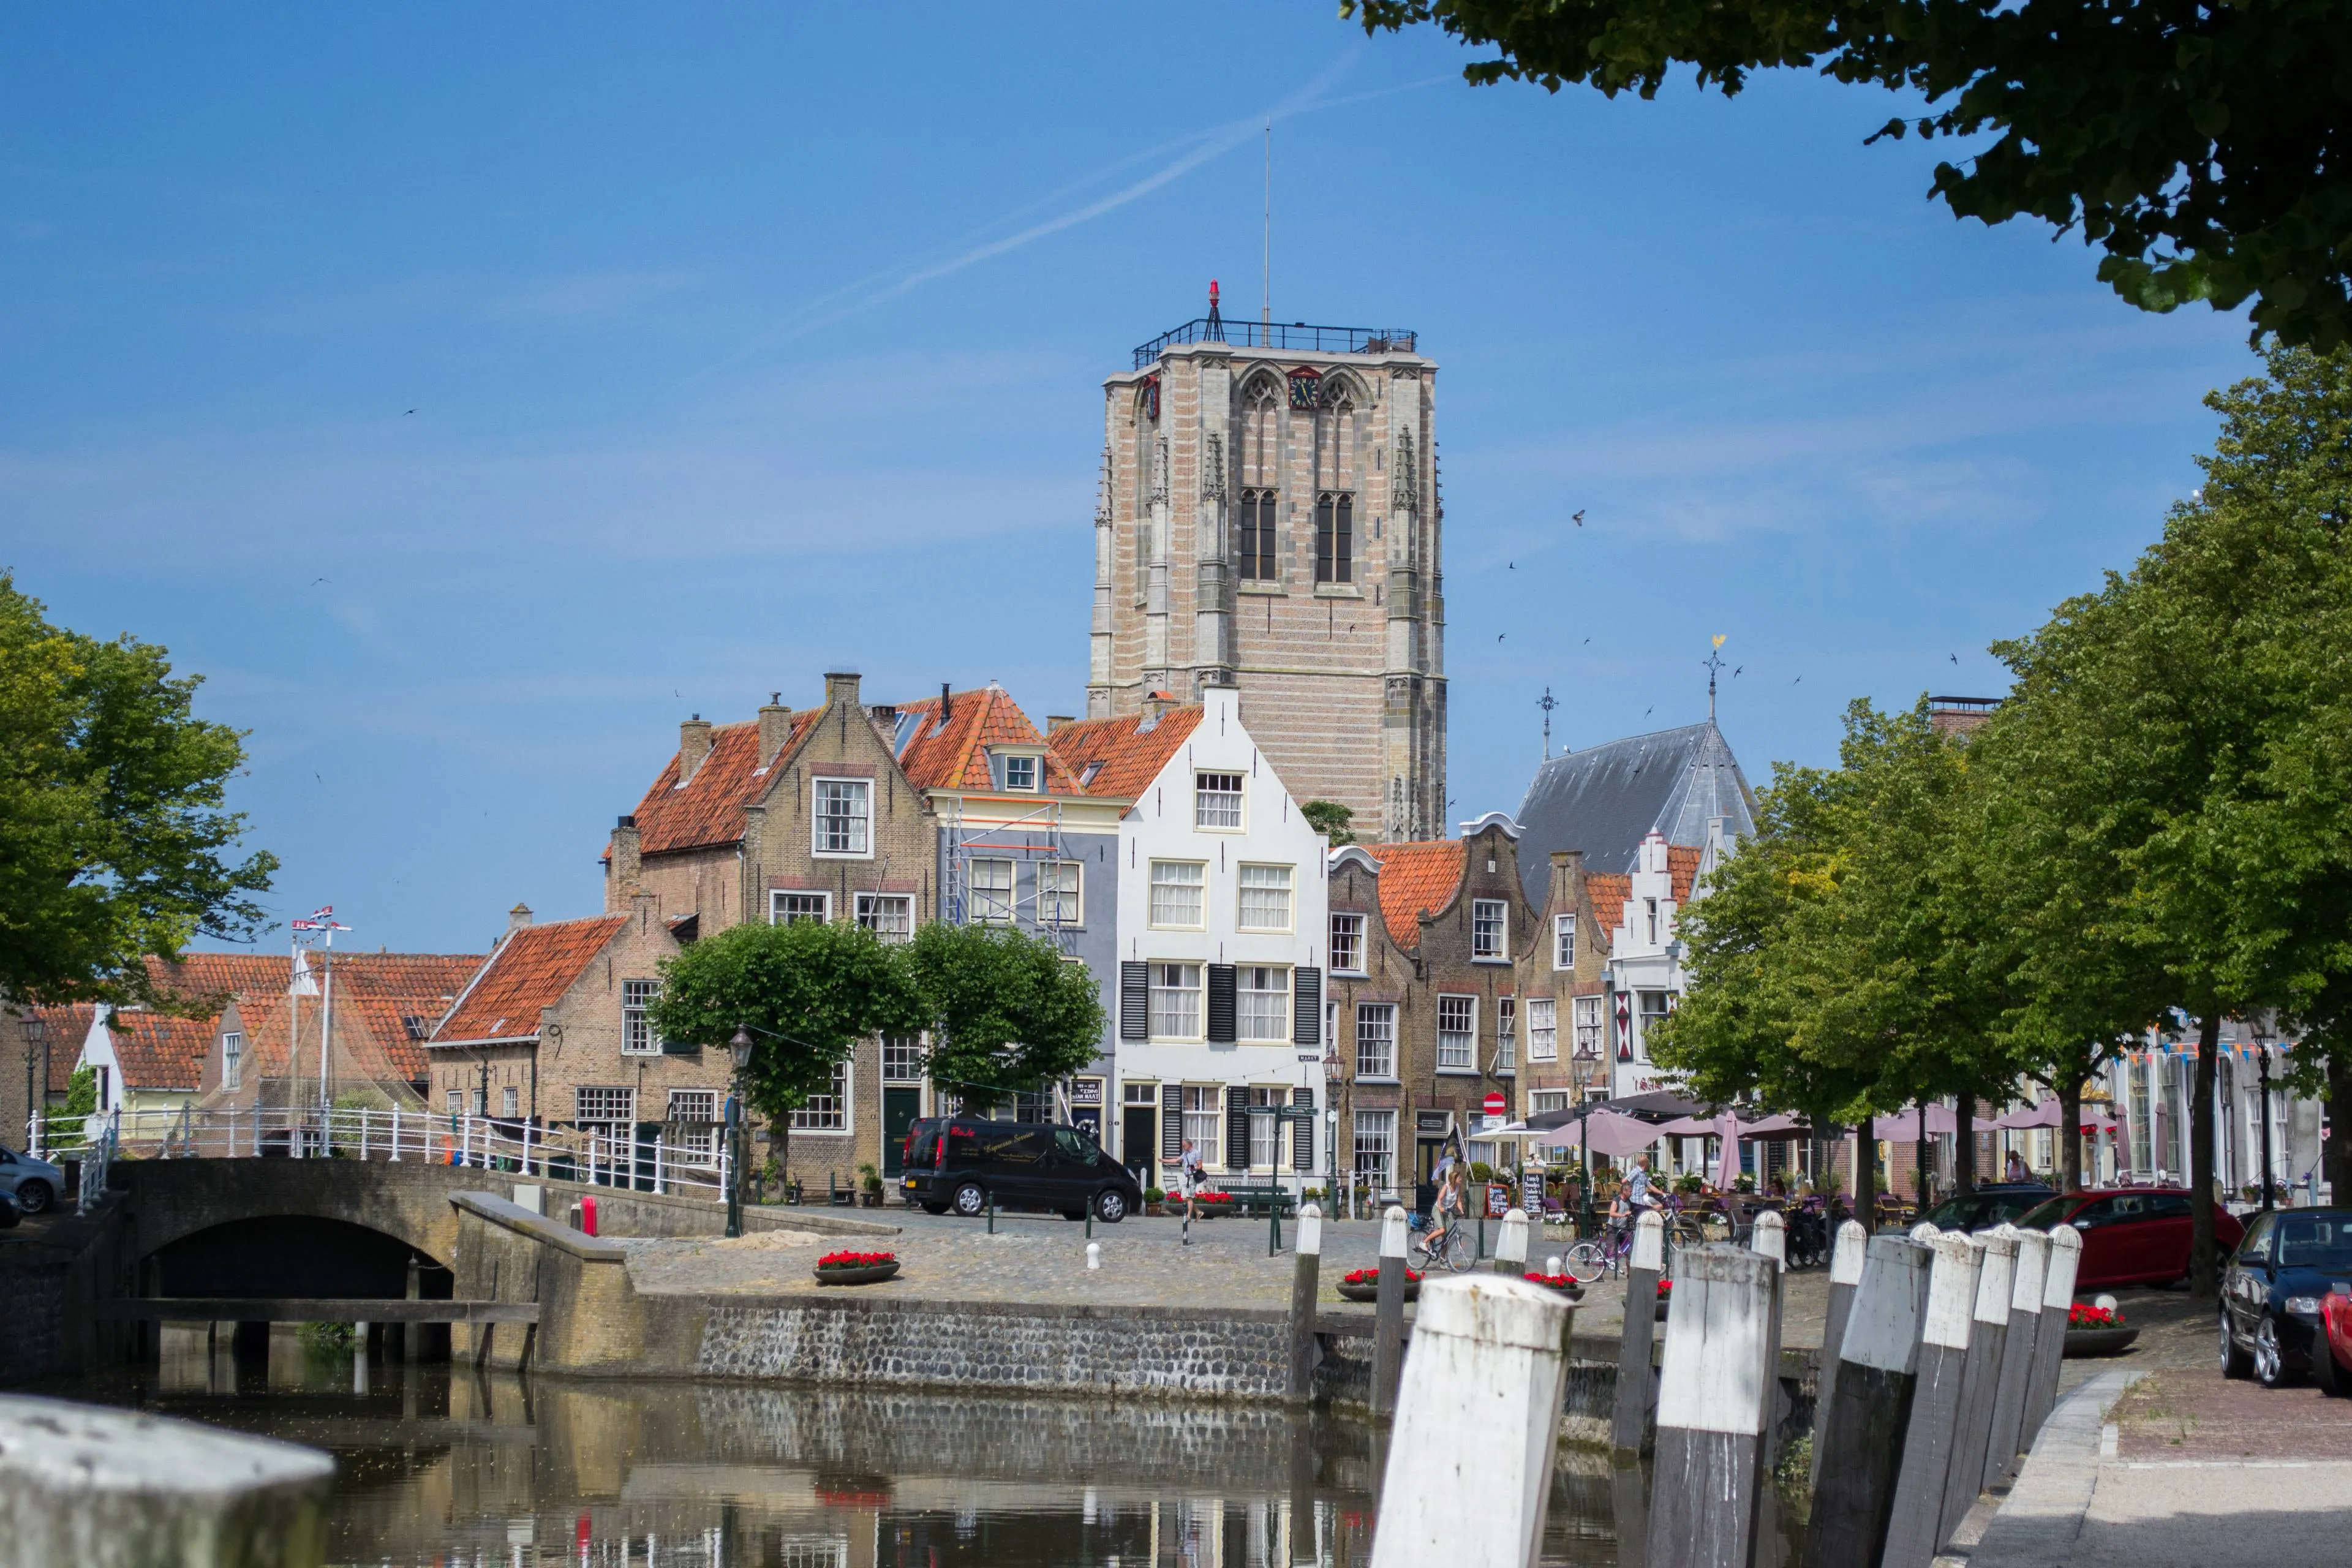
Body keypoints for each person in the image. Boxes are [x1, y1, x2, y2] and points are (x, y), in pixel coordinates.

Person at [1178, 1137, 1204, 1244]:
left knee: (1190, 1197)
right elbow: (1177, 1160)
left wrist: (1193, 1169)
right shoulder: (1185, 1154)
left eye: (1184, 1145)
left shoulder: (1196, 1153)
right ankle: (1198, 1212)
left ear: (1190, 1145)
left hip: (1192, 1177)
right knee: (1185, 1198)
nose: (1183, 1147)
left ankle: (1189, 1216)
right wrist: (1163, 1160)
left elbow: (1200, 1166)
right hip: (1186, 1177)